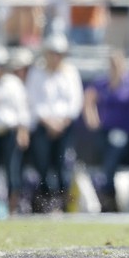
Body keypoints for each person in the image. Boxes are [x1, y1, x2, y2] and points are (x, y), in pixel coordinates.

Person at [82, 50, 129, 212]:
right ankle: (108, 194)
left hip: (124, 132)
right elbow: (89, 98)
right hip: (105, 132)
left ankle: (108, 195)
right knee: (108, 159)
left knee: (113, 157)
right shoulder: (102, 83)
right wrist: (91, 117)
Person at [25, 34, 83, 213]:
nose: (56, 57)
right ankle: (46, 203)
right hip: (43, 126)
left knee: (63, 165)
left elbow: (75, 101)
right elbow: (33, 102)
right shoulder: (36, 73)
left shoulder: (70, 72)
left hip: (64, 126)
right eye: (53, 53)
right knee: (43, 165)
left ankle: (64, 204)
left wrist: (61, 123)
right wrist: (49, 123)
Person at [0, 46, 31, 216]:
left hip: (10, 132)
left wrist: (23, 130)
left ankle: (13, 207)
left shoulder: (13, 84)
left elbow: (22, 109)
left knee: (12, 169)